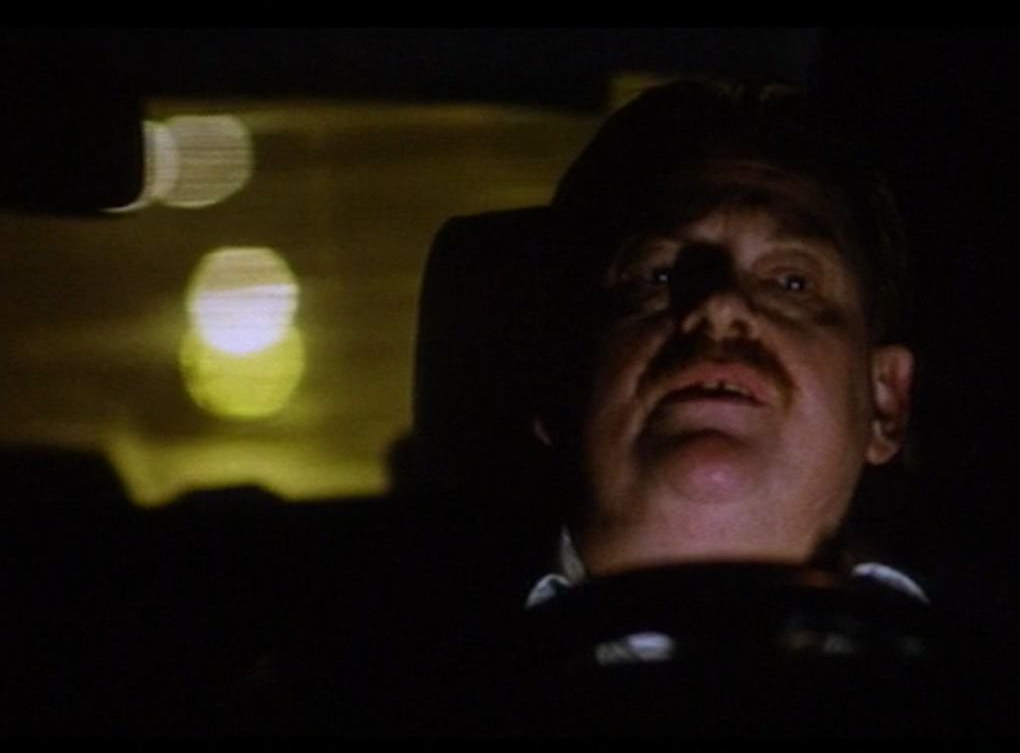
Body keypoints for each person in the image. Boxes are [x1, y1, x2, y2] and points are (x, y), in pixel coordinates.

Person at [211, 78, 1015, 736]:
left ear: (886, 400)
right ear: (554, 377)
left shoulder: (990, 668)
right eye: (659, 276)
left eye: (791, 281)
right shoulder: (369, 689)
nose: (719, 307)